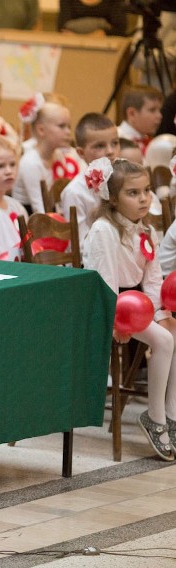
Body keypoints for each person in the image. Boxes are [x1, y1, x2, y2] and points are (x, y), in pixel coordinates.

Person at [82, 158, 176, 461]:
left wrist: (162, 314)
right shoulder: (104, 231)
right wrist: (117, 323)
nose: (144, 198)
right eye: (133, 193)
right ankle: (155, 418)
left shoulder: (144, 228)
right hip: (108, 307)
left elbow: (152, 278)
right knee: (163, 342)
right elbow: (104, 282)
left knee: (173, 331)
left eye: (146, 190)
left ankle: (172, 414)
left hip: (138, 305)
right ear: (112, 197)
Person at [12, 93, 83, 213]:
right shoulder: (31, 163)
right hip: (29, 219)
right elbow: (39, 209)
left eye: (68, 126)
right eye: (61, 126)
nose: (68, 132)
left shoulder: (57, 155)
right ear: (41, 130)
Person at [60, 112, 120, 245]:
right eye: (100, 146)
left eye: (115, 143)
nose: (110, 151)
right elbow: (79, 244)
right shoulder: (75, 193)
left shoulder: (123, 181)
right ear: (81, 153)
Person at [58, 0, 128, 36]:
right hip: (74, 46)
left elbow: (120, 29)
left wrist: (102, 33)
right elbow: (62, 28)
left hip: (107, 47)